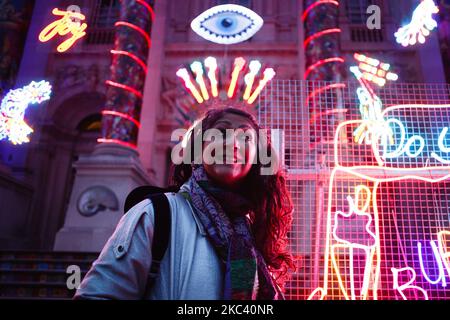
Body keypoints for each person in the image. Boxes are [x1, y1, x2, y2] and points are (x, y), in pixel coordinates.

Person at [74, 106, 295, 300]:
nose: (232, 144)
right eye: (220, 133)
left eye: (246, 138)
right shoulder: (155, 213)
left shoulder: (253, 233)